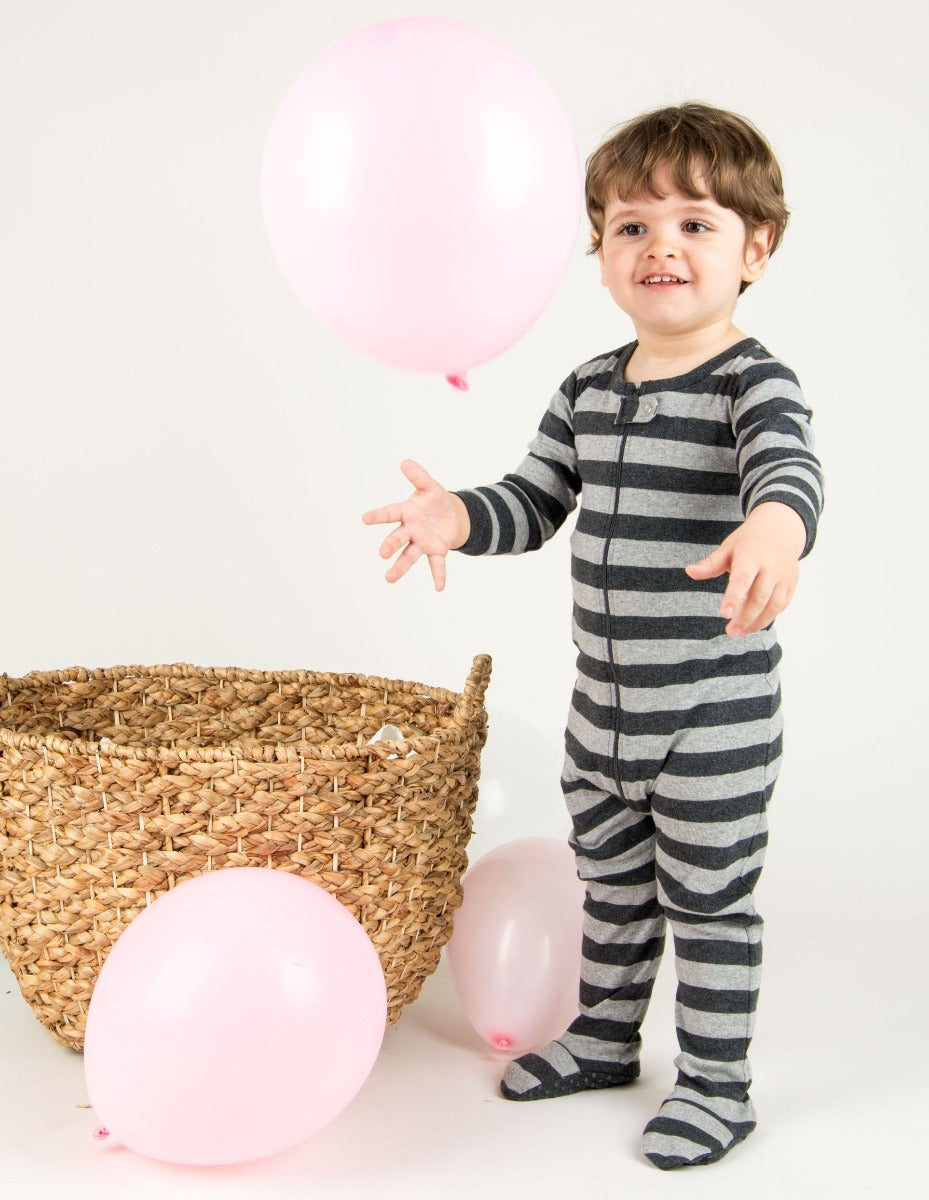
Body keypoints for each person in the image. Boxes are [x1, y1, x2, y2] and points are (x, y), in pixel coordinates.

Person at [362, 102, 824, 1170]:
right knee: (609, 890)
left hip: (710, 715)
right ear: (599, 253)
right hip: (603, 714)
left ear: (755, 249)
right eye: (630, 226)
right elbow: (533, 500)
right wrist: (457, 515)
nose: (660, 246)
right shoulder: (585, 388)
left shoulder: (752, 382)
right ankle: (605, 1039)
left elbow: (787, 466)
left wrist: (774, 524)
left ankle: (715, 1086)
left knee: (708, 906)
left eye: (695, 224)